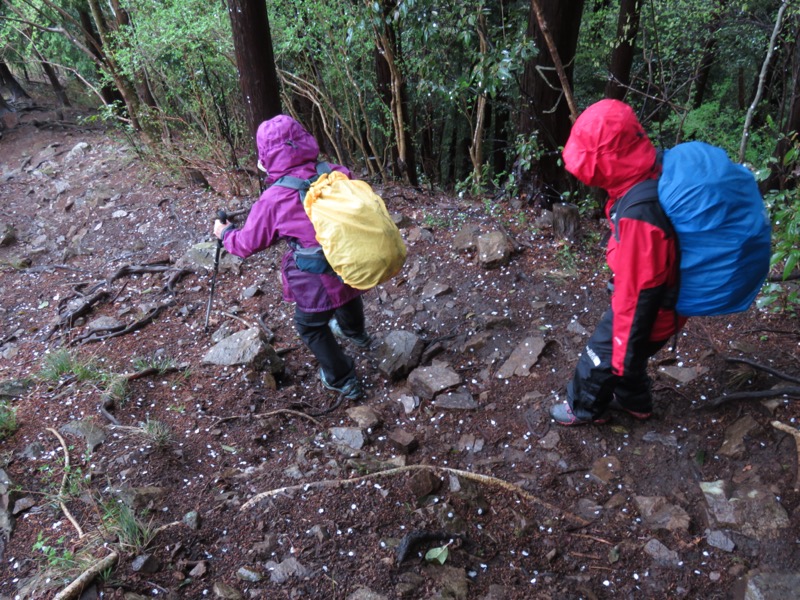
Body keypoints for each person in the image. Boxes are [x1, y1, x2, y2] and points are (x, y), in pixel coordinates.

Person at [549, 99, 687, 426]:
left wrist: (620, 348)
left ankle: (582, 408)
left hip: (653, 309)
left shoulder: (641, 214)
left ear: (607, 159)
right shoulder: (646, 171)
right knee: (631, 355)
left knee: (600, 358)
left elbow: (639, 295)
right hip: (664, 306)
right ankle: (635, 402)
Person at [213, 115, 371, 401]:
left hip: (315, 275)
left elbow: (248, 243)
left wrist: (225, 234)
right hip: (353, 257)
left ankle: (342, 379)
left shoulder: (274, 198)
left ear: (265, 156)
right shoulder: (335, 171)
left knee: (310, 325)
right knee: (348, 291)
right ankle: (355, 332)